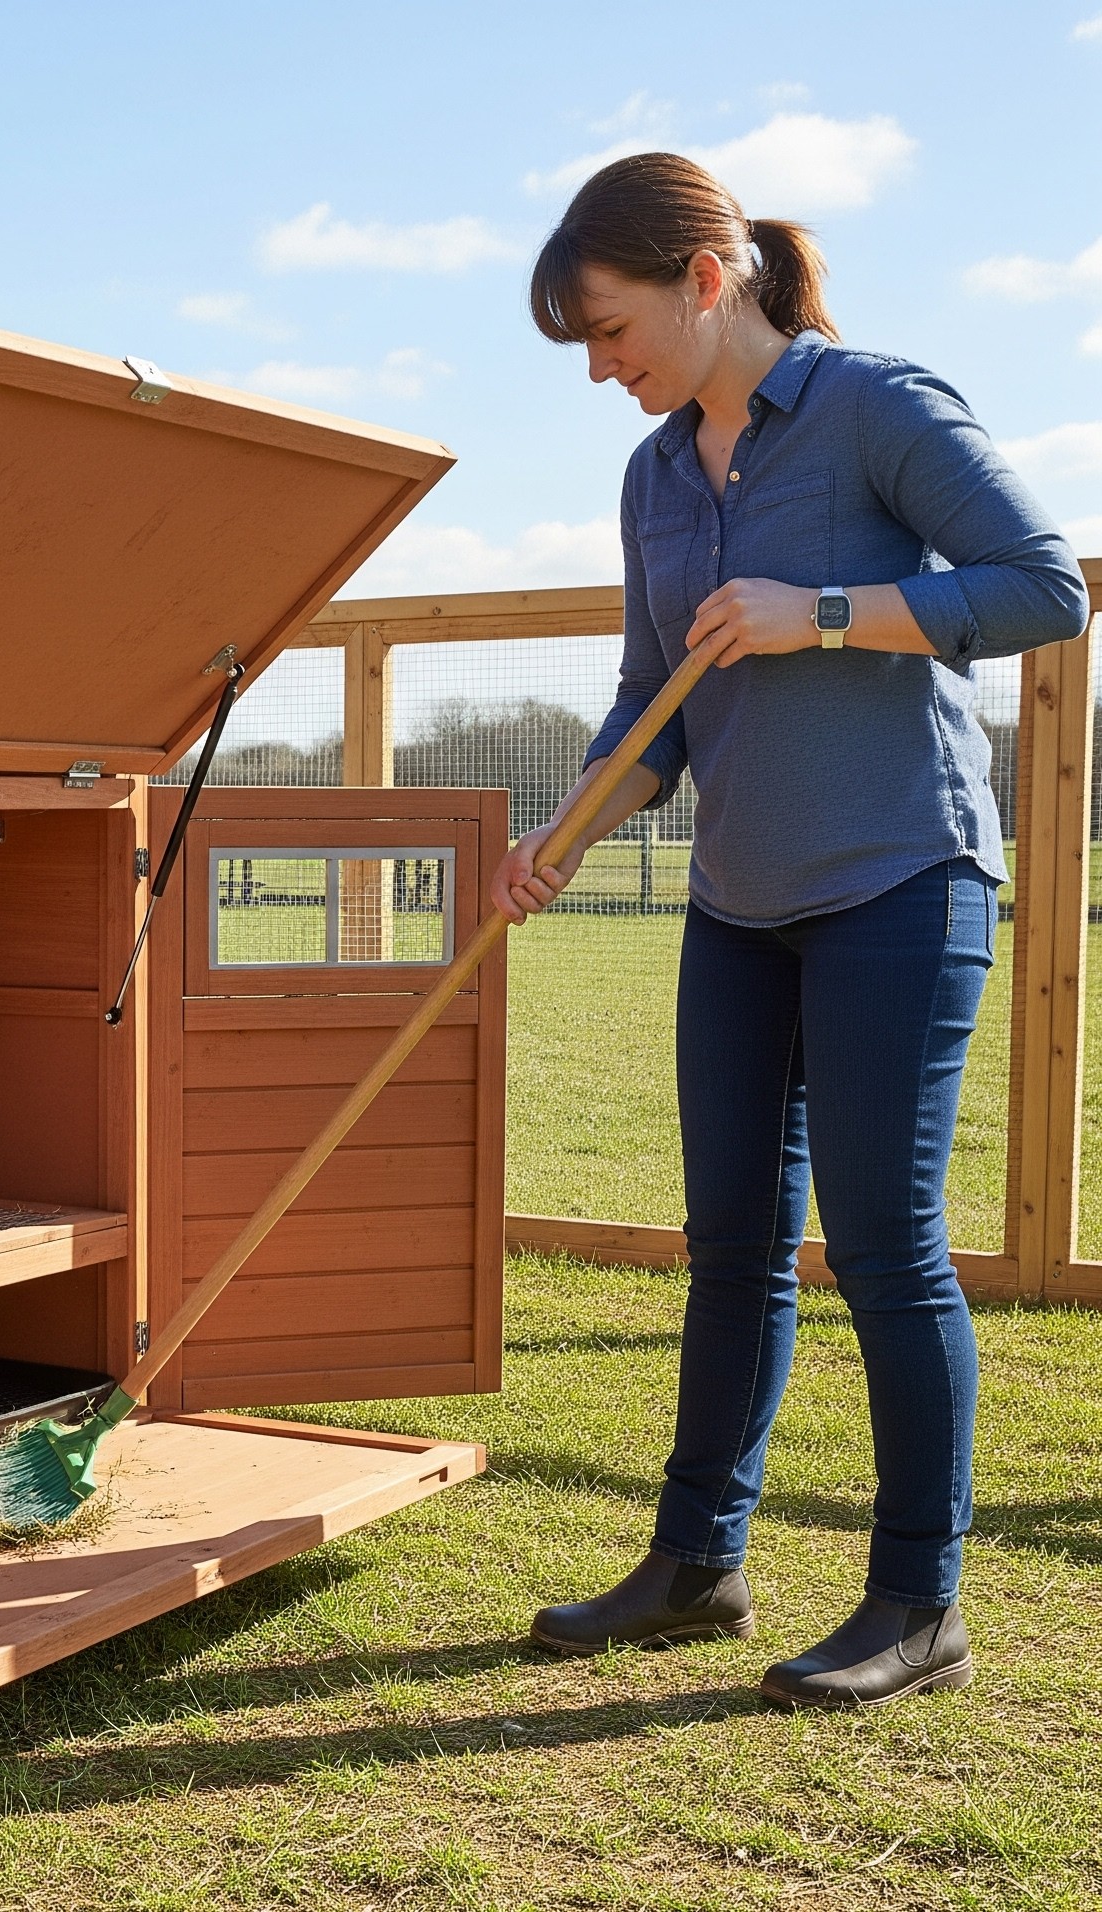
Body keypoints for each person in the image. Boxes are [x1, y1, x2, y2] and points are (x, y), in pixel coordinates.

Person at [499, 152, 1089, 1708]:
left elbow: (1045, 591)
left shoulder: (875, 407)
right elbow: (655, 704)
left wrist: (819, 612)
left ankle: (918, 1605)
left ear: (706, 282)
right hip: (737, 901)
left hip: (900, 877)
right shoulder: (654, 477)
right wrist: (566, 831)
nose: (602, 370)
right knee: (733, 1245)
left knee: (885, 1248)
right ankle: (697, 1562)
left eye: (611, 330)